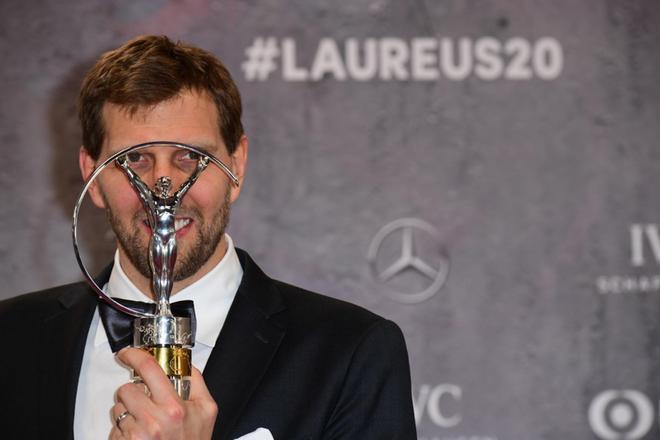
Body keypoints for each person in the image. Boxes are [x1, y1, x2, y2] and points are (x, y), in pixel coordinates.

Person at [0, 35, 416, 440]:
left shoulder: (348, 353)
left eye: (191, 158)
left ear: (236, 165)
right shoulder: (11, 339)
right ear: (92, 176)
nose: (163, 187)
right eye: (134, 160)